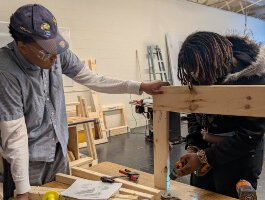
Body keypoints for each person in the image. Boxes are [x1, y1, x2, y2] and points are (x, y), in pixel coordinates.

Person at [0, 4, 169, 200]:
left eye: (55, 48)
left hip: (58, 151)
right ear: (23, 46)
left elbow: (93, 79)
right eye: (46, 52)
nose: (55, 57)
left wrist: (140, 86)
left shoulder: (55, 53)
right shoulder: (6, 72)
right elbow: (15, 135)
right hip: (27, 161)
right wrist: (22, 189)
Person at [175, 31, 265, 198]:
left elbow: (250, 135)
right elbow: (195, 111)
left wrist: (204, 157)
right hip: (206, 147)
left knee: (229, 194)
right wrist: (194, 145)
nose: (199, 81)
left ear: (219, 63)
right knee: (201, 193)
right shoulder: (201, 71)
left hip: (240, 154)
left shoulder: (253, 79)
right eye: (194, 76)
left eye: (202, 75)